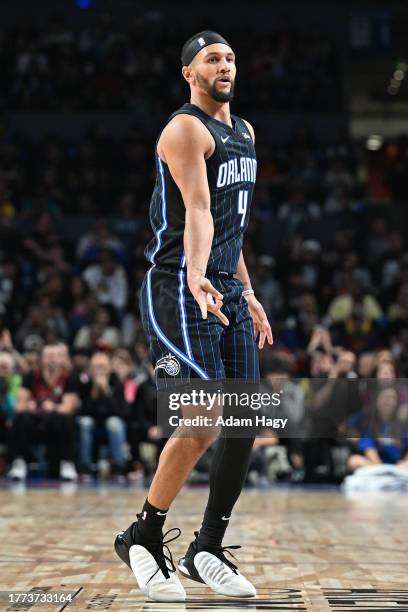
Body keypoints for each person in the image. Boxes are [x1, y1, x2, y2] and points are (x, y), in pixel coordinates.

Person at [114, 31, 273, 602]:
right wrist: (196, 275)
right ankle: (143, 535)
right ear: (189, 73)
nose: (225, 65)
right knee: (202, 415)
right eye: (212, 59)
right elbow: (200, 212)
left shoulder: (245, 132)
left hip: (222, 283)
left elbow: (232, 224)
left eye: (230, 56)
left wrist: (246, 291)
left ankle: (206, 547)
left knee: (245, 419)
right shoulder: (184, 129)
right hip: (178, 285)